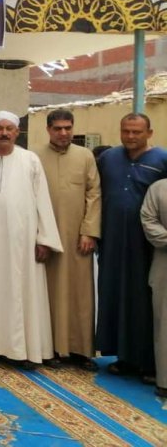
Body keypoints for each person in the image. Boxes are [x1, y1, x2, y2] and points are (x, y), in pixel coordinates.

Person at [0, 110, 62, 368]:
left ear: (17, 132)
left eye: (9, 129)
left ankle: (24, 351)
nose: (4, 133)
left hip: (22, 241)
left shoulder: (30, 160)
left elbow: (42, 200)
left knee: (21, 291)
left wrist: (44, 238)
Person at [96, 113, 167, 384]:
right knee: (115, 296)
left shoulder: (162, 159)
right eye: (126, 131)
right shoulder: (108, 158)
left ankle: (150, 362)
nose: (131, 136)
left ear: (149, 133)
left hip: (148, 245)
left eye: (137, 132)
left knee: (146, 301)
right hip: (113, 240)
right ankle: (124, 357)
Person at [34, 110, 101, 370]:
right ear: (48, 129)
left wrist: (89, 232)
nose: (63, 133)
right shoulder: (35, 157)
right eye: (58, 128)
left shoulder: (85, 156)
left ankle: (81, 350)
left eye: (68, 128)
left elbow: (94, 194)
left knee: (80, 294)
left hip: (77, 239)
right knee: (48, 293)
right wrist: (39, 236)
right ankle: (49, 348)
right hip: (47, 239)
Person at [139, 178, 167, 398]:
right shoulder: (159, 189)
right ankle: (165, 380)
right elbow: (148, 220)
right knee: (164, 322)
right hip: (164, 263)